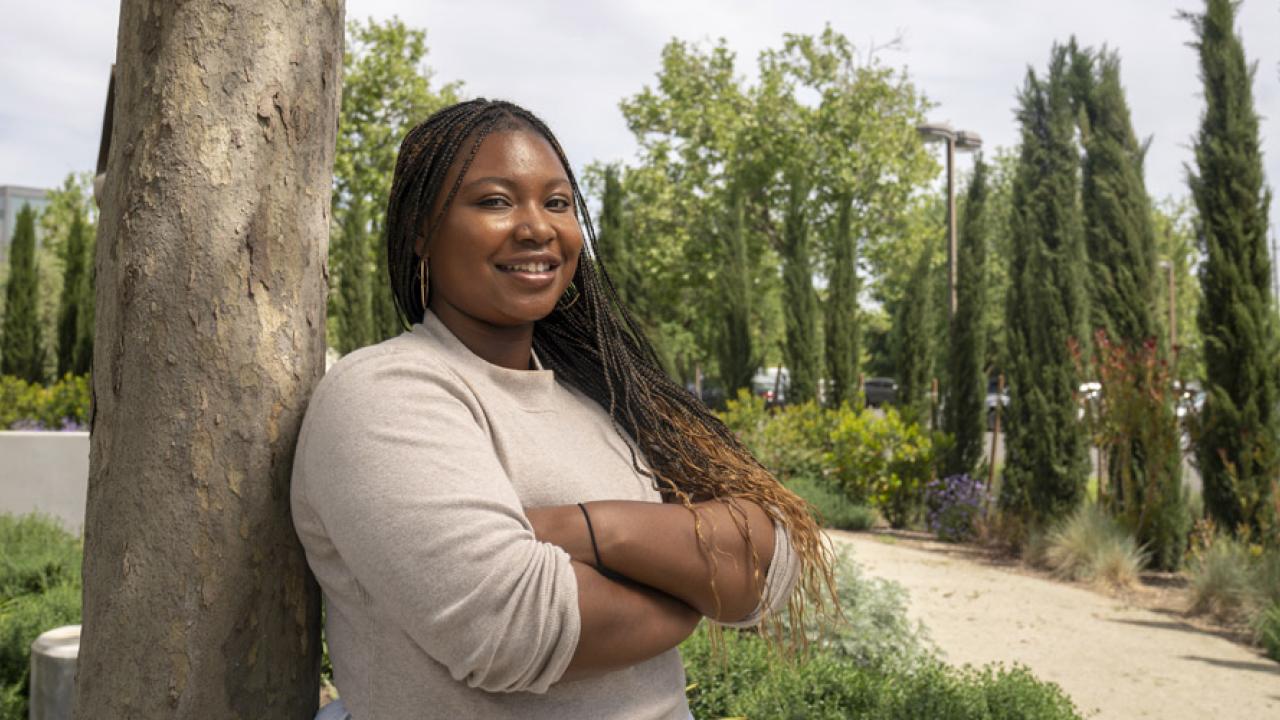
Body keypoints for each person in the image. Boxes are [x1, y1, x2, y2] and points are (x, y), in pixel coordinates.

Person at [291, 99, 834, 720]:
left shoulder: (603, 394)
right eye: (495, 201)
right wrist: (688, 592)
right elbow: (510, 627)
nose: (537, 228)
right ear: (421, 229)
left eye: (557, 203)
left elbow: (766, 563)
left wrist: (582, 528)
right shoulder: (387, 394)